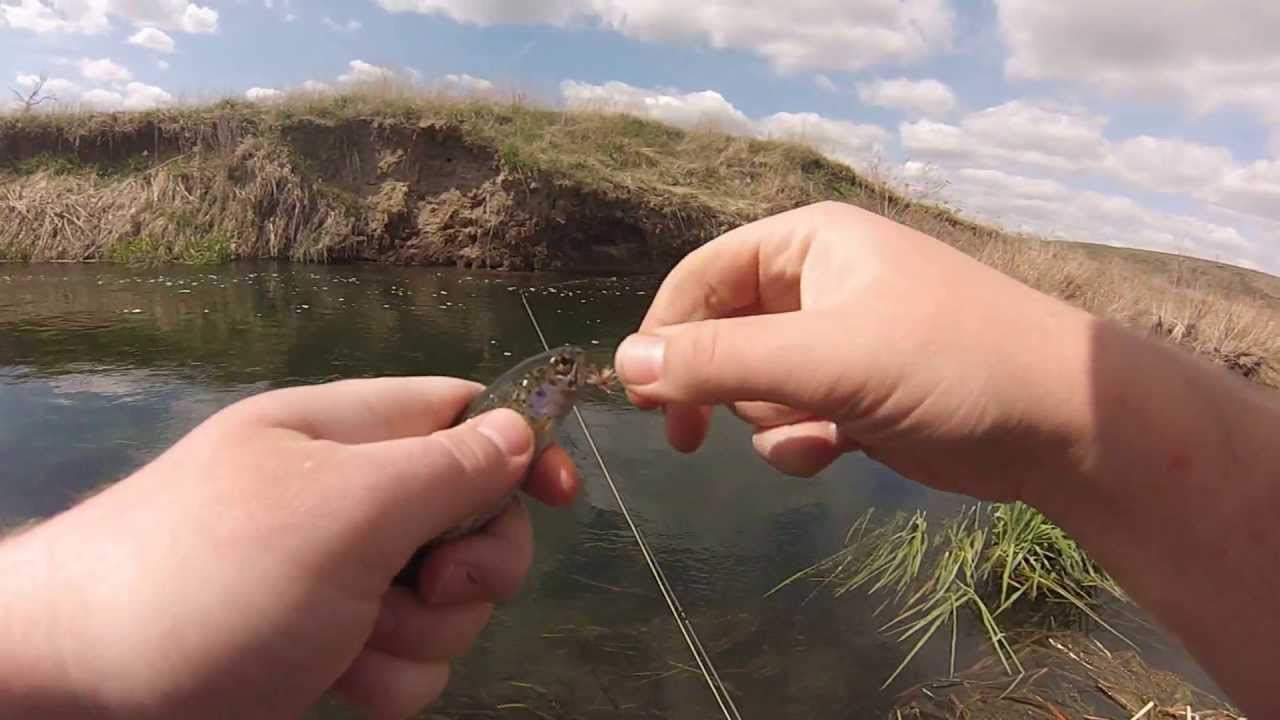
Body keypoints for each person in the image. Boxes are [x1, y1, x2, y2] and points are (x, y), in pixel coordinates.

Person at [0, 200, 1274, 719]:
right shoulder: (514, 428)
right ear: (532, 404)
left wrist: (57, 627)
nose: (564, 388)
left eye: (564, 382)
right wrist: (65, 629)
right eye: (554, 381)